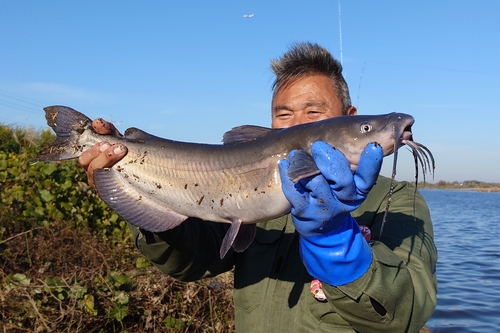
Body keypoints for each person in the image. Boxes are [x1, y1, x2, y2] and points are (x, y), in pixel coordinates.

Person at [79, 42, 437, 332]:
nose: (295, 125)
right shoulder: (249, 183)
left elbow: (406, 315)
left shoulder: (399, 201)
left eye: (313, 112)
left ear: (349, 113)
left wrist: (339, 247)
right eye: (283, 115)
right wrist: (133, 192)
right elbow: (188, 264)